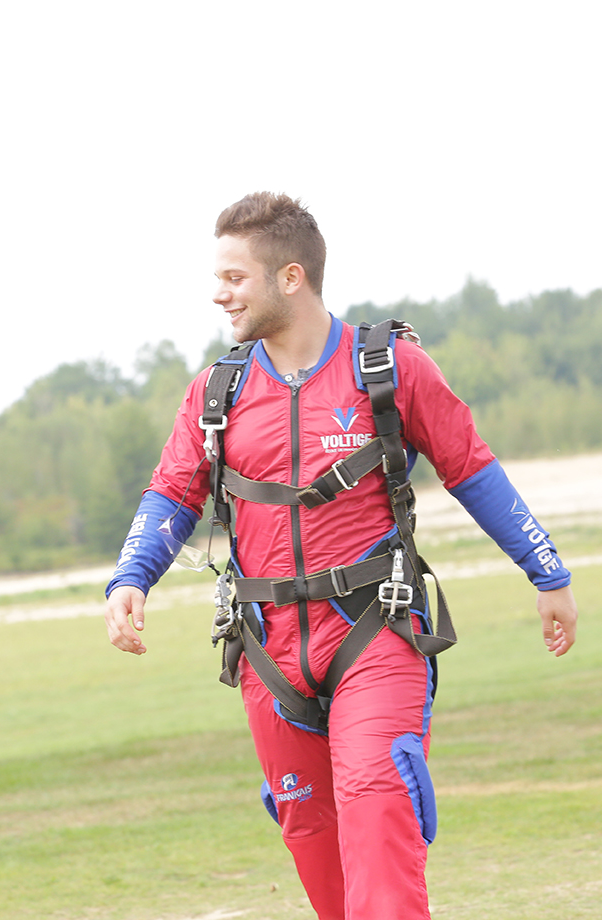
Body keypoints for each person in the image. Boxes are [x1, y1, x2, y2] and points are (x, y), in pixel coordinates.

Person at [104, 192, 577, 920]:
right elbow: (173, 492)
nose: (218, 293)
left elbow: (472, 469)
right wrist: (130, 577)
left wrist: (546, 572)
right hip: (266, 651)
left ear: (291, 277)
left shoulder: (390, 369)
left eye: (235, 277)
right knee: (319, 857)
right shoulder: (217, 392)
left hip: (374, 631)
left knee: (379, 817)